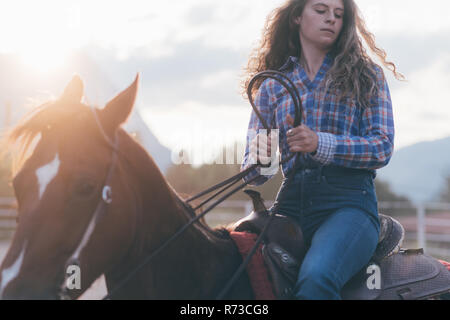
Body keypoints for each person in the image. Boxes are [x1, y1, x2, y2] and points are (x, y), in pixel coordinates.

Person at [240, 0, 403, 300]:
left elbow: (382, 147)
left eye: (338, 14)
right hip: (290, 203)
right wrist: (261, 158)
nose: (331, 19)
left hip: (349, 204)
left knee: (318, 278)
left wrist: (320, 143)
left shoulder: (367, 76)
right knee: (236, 265)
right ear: (297, 17)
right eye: (321, 10)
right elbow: (254, 176)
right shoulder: (272, 86)